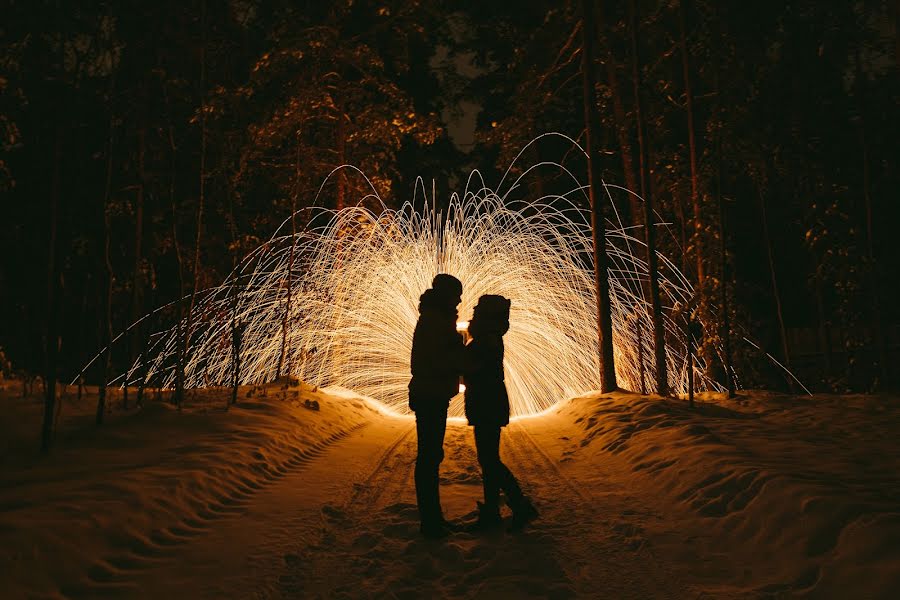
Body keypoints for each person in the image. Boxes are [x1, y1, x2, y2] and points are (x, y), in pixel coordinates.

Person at [463, 294, 538, 532]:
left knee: (489, 460)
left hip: (487, 404)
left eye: (478, 312)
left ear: (486, 316)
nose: (473, 314)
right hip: (489, 403)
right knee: (488, 459)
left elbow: (474, 368)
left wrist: (459, 354)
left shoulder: (487, 340)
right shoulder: (490, 337)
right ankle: (494, 511)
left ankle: (518, 504)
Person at [409, 273, 465, 539]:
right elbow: (438, 359)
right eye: (456, 295)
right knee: (429, 458)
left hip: (432, 394)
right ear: (446, 296)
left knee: (431, 456)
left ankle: (433, 519)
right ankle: (431, 523)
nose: (459, 301)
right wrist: (459, 348)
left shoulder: (436, 317)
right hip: (430, 394)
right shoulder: (435, 321)